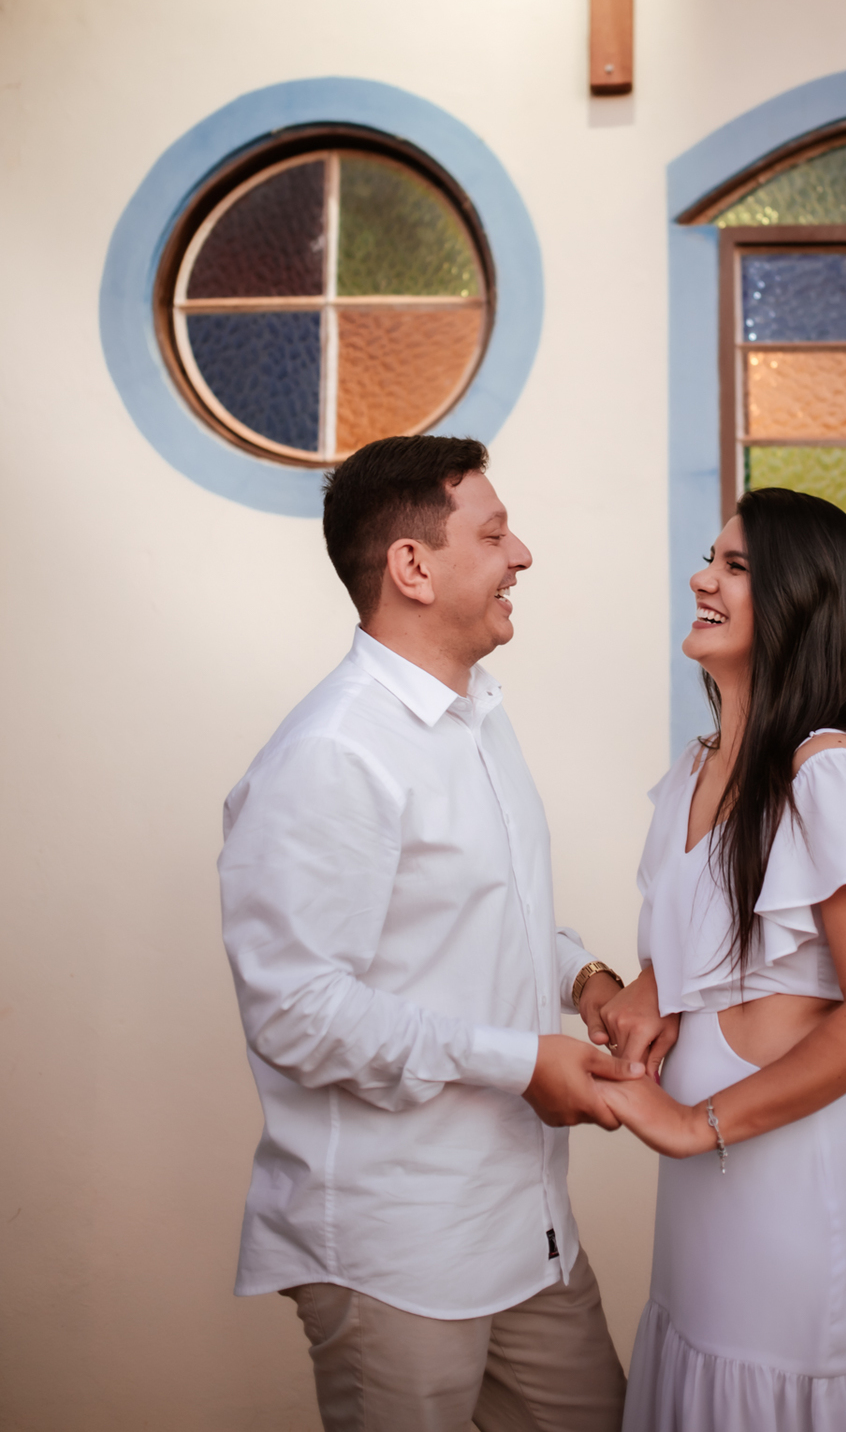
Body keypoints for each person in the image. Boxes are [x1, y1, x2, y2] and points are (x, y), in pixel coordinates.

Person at [218, 434, 639, 1432]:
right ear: (412, 568)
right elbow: (299, 1014)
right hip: (393, 1248)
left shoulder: (479, 714)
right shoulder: (331, 754)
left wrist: (587, 978)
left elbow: (493, 910)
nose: (522, 555)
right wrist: (521, 1061)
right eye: (493, 534)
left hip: (526, 1231)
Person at [593, 487, 846, 1432]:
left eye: (737, 566)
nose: (702, 578)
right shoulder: (694, 770)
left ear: (801, 599)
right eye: (711, 558)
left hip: (790, 1187)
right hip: (702, 1204)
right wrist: (656, 983)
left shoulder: (828, 772)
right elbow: (727, 934)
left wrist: (695, 1123)